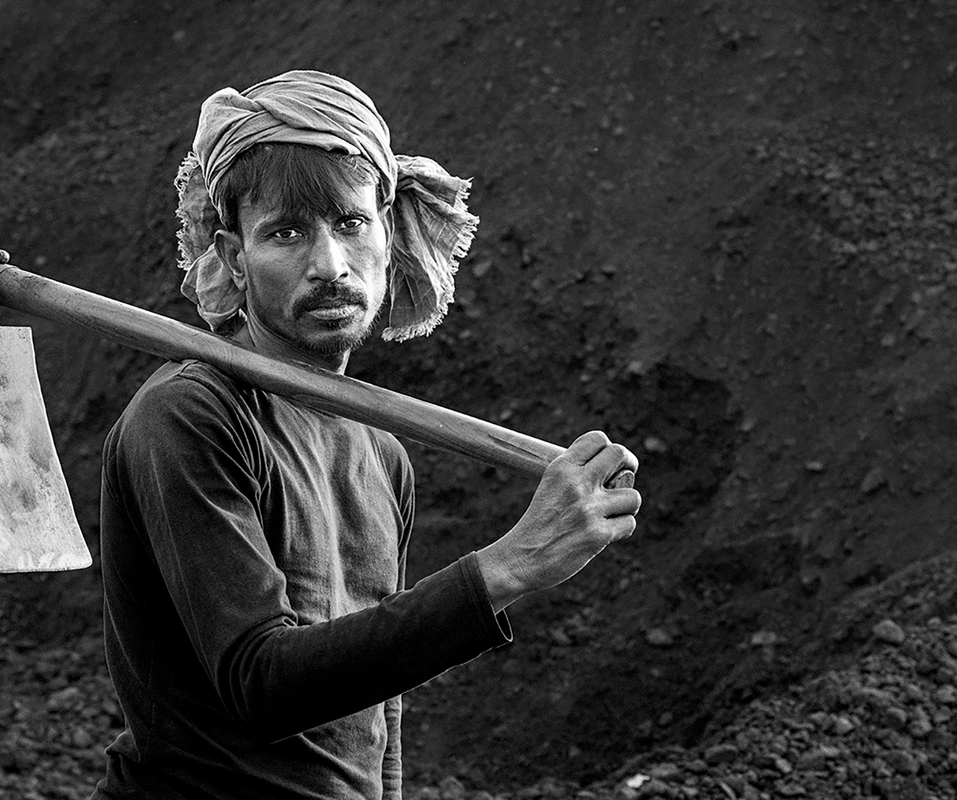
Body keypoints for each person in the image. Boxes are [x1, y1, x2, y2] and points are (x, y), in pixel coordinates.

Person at [91, 70, 641, 800]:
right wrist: (510, 567)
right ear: (230, 255)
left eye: (349, 224)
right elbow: (264, 682)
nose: (330, 265)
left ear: (389, 231)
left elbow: (376, 713)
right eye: (285, 232)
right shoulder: (192, 414)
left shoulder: (380, 448)